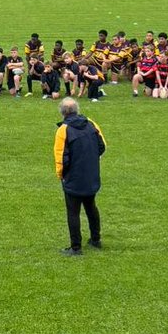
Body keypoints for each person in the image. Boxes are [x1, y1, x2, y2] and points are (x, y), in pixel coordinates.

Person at [53, 97, 106, 256]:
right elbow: (102, 146)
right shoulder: (91, 123)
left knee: (73, 212)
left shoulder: (63, 130)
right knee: (91, 206)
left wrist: (61, 175)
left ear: (62, 113)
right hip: (91, 174)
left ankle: (75, 247)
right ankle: (95, 239)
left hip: (74, 177)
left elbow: (61, 157)